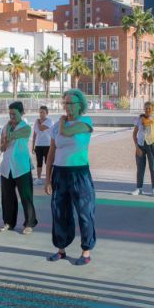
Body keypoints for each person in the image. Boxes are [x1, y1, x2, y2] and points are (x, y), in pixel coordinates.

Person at [44, 89, 96, 266]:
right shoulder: (56, 127)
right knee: (59, 213)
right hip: (60, 173)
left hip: (79, 173)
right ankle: (61, 249)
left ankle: (86, 251)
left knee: (85, 213)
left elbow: (66, 133)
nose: (67, 107)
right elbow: (51, 153)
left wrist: (61, 123)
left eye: (71, 103)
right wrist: (47, 178)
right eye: (65, 103)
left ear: (80, 105)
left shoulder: (85, 122)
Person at [0, 101, 37, 234]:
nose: (12, 117)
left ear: (22, 113)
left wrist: (9, 133)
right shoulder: (5, 127)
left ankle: (29, 223)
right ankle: (8, 222)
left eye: (14, 114)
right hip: (6, 168)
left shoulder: (26, 127)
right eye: (10, 114)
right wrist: (5, 140)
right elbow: (2, 148)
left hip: (22, 167)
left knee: (26, 196)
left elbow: (17, 135)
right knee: (7, 197)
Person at [130, 101, 154, 197]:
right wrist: (137, 147)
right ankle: (139, 188)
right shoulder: (139, 119)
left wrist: (142, 117)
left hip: (151, 144)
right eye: (146, 108)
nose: (147, 110)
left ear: (152, 109)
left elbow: (146, 123)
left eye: (149, 108)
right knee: (140, 168)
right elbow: (134, 134)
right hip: (141, 145)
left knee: (153, 167)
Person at [32, 105, 53, 185]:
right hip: (38, 145)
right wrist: (33, 146)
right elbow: (34, 134)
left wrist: (38, 121)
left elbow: (41, 128)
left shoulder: (49, 121)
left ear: (46, 113)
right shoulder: (36, 122)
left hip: (47, 145)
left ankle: (49, 179)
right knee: (39, 162)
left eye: (43, 112)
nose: (41, 114)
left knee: (48, 163)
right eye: (40, 112)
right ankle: (39, 178)